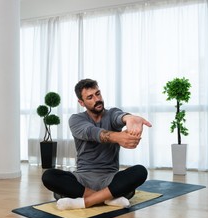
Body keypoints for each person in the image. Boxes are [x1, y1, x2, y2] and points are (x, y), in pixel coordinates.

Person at [42, 78, 152, 210]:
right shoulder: (76, 119)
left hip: (110, 178)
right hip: (82, 179)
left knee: (140, 171)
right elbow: (92, 132)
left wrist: (129, 118)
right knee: (48, 176)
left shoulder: (111, 114)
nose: (97, 99)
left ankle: (85, 202)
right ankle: (108, 198)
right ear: (81, 102)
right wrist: (118, 137)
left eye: (98, 94)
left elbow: (119, 116)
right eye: (90, 97)